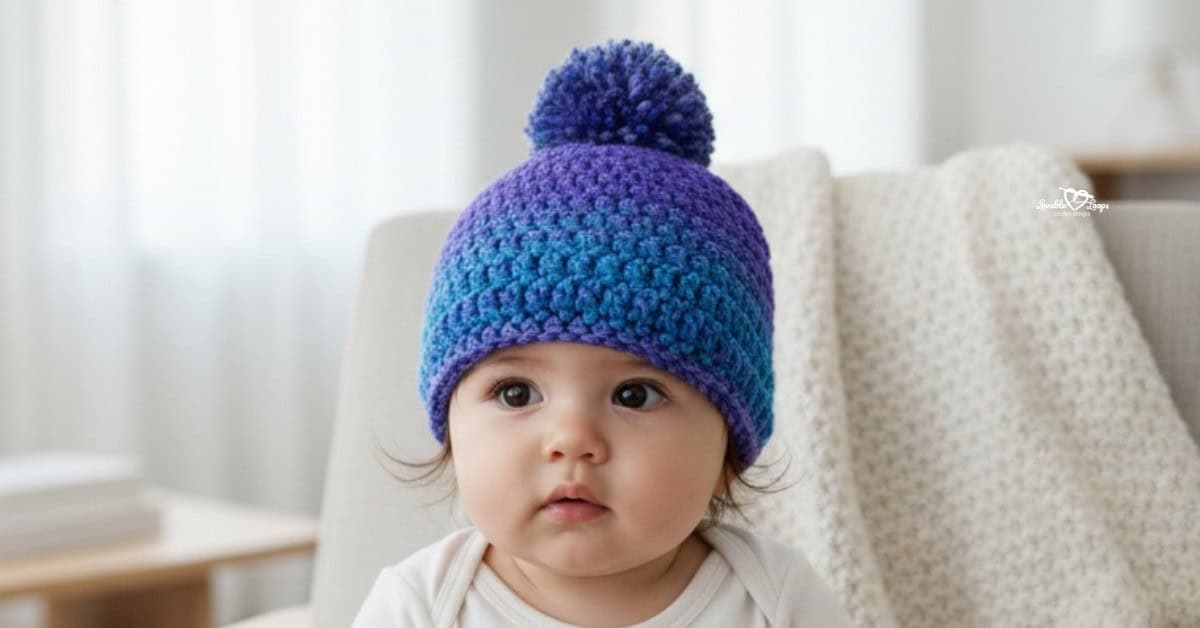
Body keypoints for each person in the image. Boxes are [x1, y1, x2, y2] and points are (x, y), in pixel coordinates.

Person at [352, 38, 854, 627]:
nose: (572, 439)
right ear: (451, 432)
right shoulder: (421, 605)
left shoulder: (775, 599)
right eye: (516, 393)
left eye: (634, 394)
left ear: (728, 453)